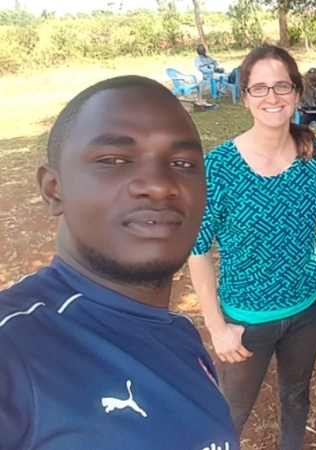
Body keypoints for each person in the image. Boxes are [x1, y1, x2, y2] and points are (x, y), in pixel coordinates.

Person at [0, 76, 238, 449]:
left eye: (181, 162)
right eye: (114, 160)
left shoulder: (179, 333)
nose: (159, 185)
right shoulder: (14, 351)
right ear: (53, 188)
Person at [187, 45, 316, 449]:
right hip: (245, 320)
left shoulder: (313, 157)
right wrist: (217, 327)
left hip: (307, 309)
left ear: (297, 93)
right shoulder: (219, 167)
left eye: (282, 86)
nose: (272, 97)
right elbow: (197, 248)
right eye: (260, 88)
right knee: (229, 412)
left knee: (295, 398)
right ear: (246, 96)